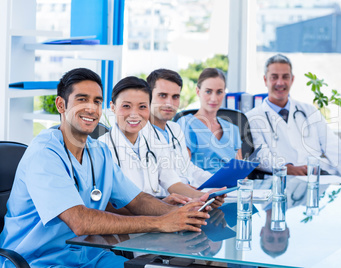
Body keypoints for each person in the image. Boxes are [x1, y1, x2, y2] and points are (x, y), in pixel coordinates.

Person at [0, 68, 212, 268]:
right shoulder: (44, 154)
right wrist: (161, 222)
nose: (91, 108)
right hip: (40, 261)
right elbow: (80, 221)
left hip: (90, 257)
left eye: (96, 101)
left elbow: (137, 200)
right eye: (82, 99)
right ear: (61, 105)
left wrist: (183, 214)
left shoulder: (98, 151)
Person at [98, 76, 223, 205]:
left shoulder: (155, 143)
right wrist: (161, 204)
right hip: (127, 220)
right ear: (112, 107)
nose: (134, 114)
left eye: (142, 107)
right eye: (126, 106)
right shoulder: (101, 148)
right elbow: (108, 202)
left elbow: (173, 183)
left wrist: (205, 196)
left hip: (158, 214)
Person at [246, 54, 341, 178]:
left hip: (317, 177)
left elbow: (332, 143)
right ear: (265, 80)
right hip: (282, 180)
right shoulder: (253, 117)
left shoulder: (309, 110)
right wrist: (286, 168)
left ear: (292, 79)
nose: (280, 82)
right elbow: (260, 155)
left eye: (285, 77)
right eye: (274, 77)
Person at [144, 68, 212, 188]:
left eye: (175, 97)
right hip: (163, 201)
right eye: (162, 95)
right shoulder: (139, 133)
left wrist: (216, 181)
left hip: (187, 196)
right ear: (148, 96)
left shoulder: (175, 129)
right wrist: (192, 192)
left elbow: (187, 168)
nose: (169, 103)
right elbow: (153, 182)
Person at [177, 68, 242, 174]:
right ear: (198, 91)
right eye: (208, 91)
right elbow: (184, 172)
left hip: (231, 189)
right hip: (201, 188)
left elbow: (240, 173)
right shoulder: (186, 124)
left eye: (219, 92)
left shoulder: (233, 129)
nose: (214, 98)